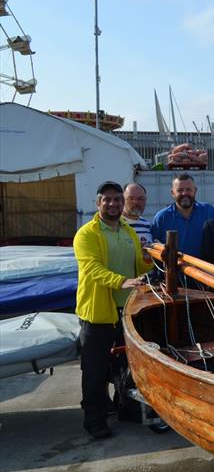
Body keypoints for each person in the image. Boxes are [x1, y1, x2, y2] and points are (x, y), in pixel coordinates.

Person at [73, 181, 151, 439]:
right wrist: (122, 281)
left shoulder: (128, 230)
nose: (113, 203)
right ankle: (94, 419)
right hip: (97, 313)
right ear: (98, 203)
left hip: (126, 310)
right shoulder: (87, 234)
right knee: (94, 368)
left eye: (117, 199)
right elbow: (92, 269)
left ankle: (125, 409)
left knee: (125, 364)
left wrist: (153, 262)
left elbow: (138, 264)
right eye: (107, 199)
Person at [151, 173, 214, 256]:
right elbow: (154, 249)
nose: (184, 193)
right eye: (180, 190)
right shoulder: (162, 217)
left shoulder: (208, 212)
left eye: (188, 190)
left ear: (195, 191)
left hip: (203, 268)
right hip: (172, 268)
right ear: (172, 193)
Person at [122, 182, 153, 248]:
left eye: (140, 199)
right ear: (122, 200)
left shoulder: (147, 225)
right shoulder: (116, 224)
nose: (136, 202)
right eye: (131, 199)